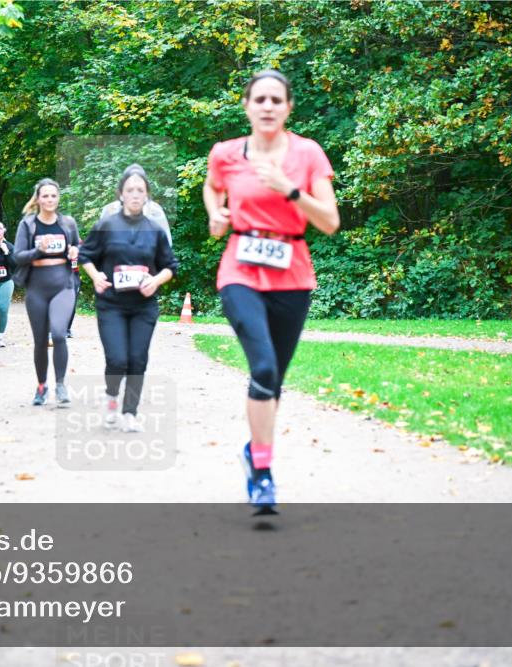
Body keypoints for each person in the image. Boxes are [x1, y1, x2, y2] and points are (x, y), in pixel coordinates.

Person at [203, 69, 340, 511]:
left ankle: (252, 452)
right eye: (259, 99)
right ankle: (262, 472)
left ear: (288, 108)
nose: (267, 106)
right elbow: (212, 187)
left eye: (275, 100)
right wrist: (216, 214)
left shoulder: (307, 154)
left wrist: (290, 190)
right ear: (246, 106)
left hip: (292, 273)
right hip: (240, 269)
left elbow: (329, 222)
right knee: (262, 367)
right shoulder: (225, 154)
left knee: (274, 380)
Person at [79, 165, 178, 432]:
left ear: (147, 196)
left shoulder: (154, 230)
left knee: (137, 359)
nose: (135, 194)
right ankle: (112, 395)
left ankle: (130, 413)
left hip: (144, 306)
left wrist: (156, 280)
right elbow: (85, 255)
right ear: (121, 194)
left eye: (140, 190)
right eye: (130, 190)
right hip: (111, 304)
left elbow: (170, 265)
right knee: (117, 360)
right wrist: (96, 276)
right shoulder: (106, 225)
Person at [13, 178, 81, 406]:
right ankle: (42, 386)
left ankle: (61, 385)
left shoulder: (67, 223)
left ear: (58, 198)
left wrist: (74, 251)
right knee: (40, 340)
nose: (50, 199)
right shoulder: (28, 224)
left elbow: (79, 247)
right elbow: (18, 256)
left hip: (63, 285)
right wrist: (37, 251)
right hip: (37, 288)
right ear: (38, 199)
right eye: (45, 196)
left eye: (53, 195)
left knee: (59, 334)